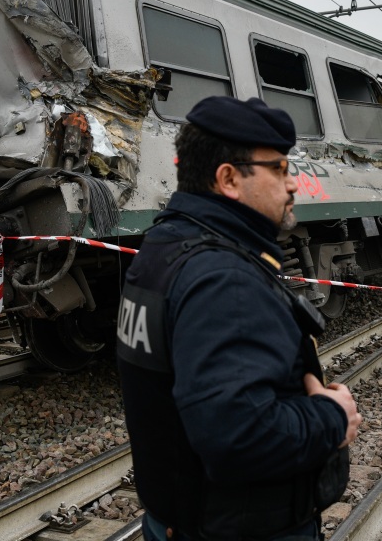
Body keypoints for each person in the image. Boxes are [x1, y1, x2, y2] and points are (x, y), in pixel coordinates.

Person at [116, 95, 362, 541]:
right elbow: (240, 437)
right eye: (280, 169)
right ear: (228, 178)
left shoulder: (164, 246)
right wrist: (332, 416)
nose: (293, 185)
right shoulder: (224, 278)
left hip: (179, 515)